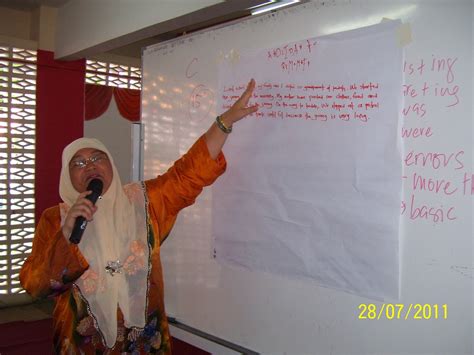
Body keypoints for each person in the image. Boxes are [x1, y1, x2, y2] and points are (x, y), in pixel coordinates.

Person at [20, 79, 258, 354]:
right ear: (68, 175)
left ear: (111, 164)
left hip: (143, 343)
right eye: (79, 163)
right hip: (82, 345)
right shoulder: (56, 219)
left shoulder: (143, 202)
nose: (90, 166)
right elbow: (35, 285)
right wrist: (65, 235)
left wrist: (224, 122)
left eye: (98, 158)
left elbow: (187, 175)